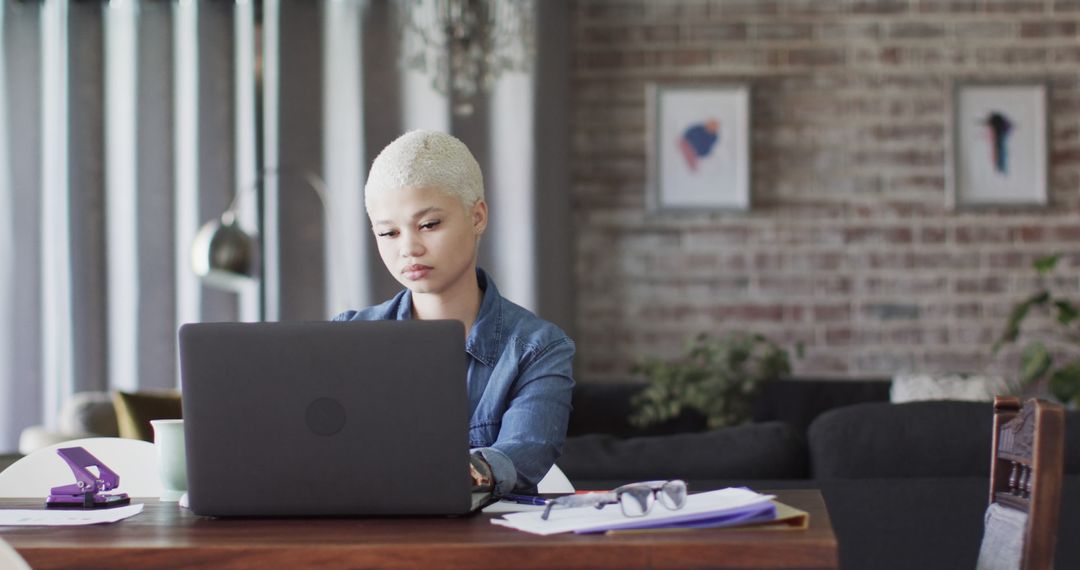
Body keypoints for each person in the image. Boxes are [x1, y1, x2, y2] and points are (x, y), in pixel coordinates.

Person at [333, 130, 575, 496]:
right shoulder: (344, 338)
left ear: (477, 216)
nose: (409, 248)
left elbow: (524, 454)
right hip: (366, 541)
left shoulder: (537, 348)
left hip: (484, 545)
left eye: (429, 225)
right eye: (388, 233)